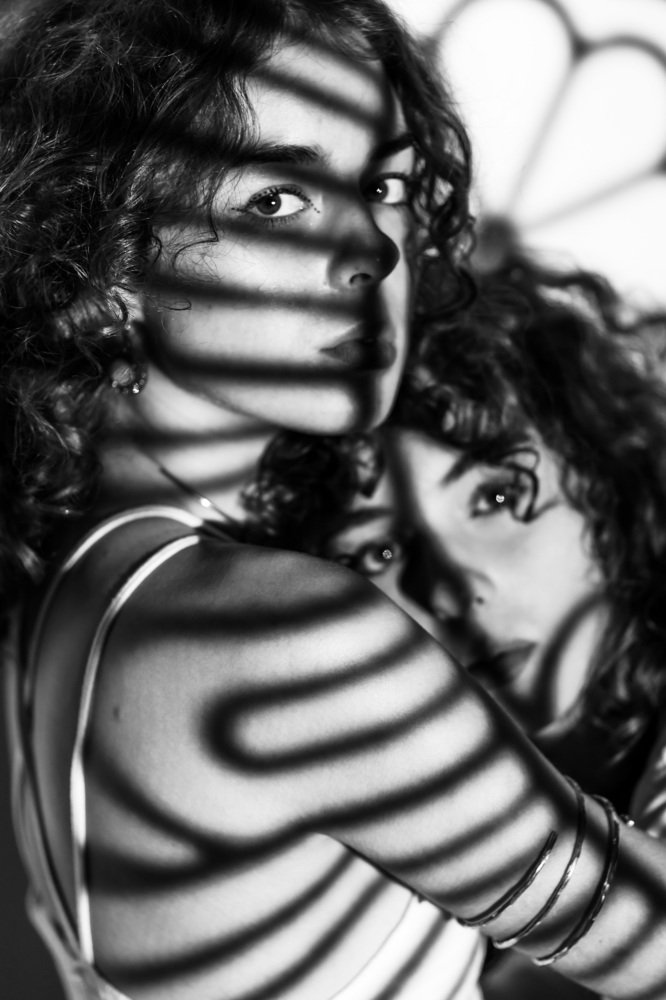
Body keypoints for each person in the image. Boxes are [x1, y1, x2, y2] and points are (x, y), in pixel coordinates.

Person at [2, 5, 666, 1000]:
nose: (372, 249)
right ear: (102, 258)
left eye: (384, 185)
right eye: (276, 199)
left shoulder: (67, 608)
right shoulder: (293, 639)